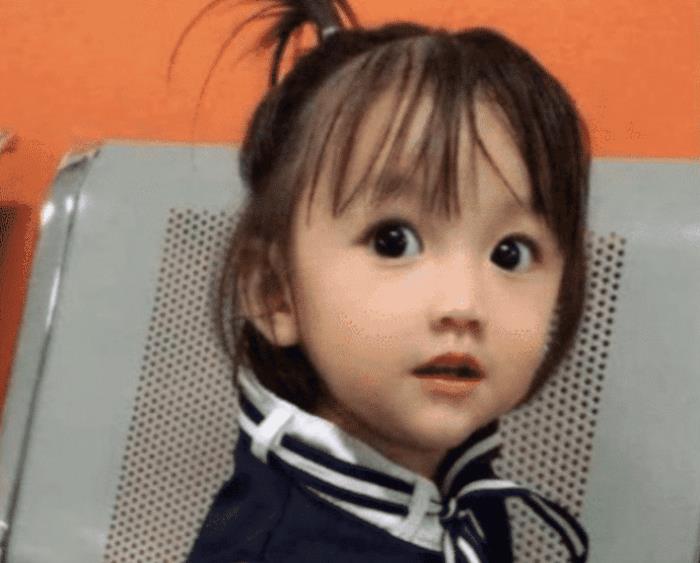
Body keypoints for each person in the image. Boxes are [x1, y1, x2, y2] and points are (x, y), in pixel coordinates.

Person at [187, 0, 590, 561]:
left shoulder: (461, 482)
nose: (464, 304)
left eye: (510, 253)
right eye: (393, 241)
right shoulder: (282, 547)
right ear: (274, 292)